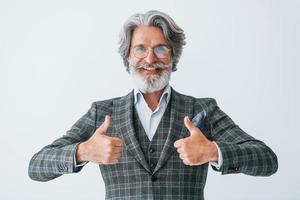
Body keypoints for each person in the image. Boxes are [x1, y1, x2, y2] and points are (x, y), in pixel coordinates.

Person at [28, 10, 278, 200]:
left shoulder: (203, 110)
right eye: (140, 49)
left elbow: (268, 161)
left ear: (173, 55)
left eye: (160, 49)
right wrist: (82, 152)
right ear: (128, 55)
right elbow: (36, 166)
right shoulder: (102, 113)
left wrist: (213, 150)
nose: (150, 59)